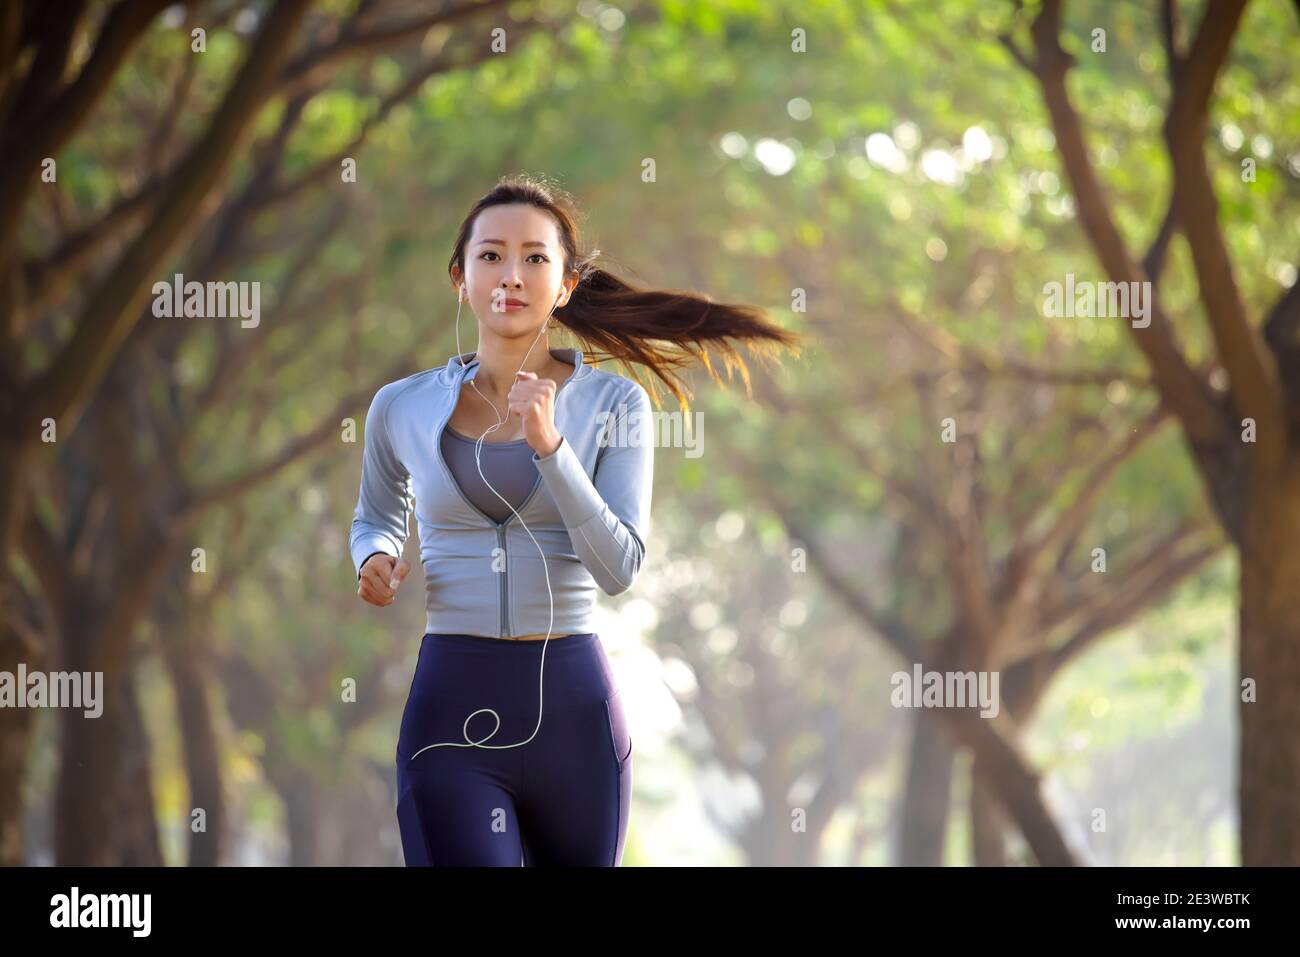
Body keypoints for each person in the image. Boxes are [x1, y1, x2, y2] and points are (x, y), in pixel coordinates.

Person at [349, 173, 802, 866]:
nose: (512, 273)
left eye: (535, 257)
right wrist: (374, 557)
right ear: (460, 279)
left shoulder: (614, 405)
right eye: (491, 255)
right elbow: (378, 512)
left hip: (574, 714)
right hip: (451, 709)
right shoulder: (400, 405)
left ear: (564, 285)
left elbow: (619, 567)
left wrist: (551, 448)